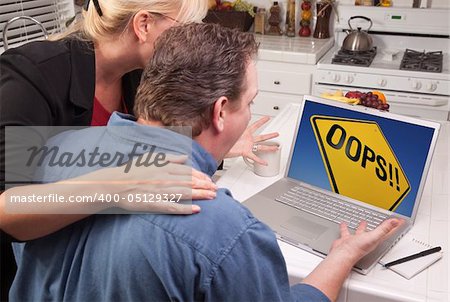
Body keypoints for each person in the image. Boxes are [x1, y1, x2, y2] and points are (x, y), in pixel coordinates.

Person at [10, 23, 404, 302]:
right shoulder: (225, 230)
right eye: (249, 103)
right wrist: (342, 256)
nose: (250, 112)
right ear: (219, 112)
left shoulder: (51, 150)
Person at [0, 0, 277, 299]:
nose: (191, 38)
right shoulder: (32, 77)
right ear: (143, 24)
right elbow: (8, 208)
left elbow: (149, 139)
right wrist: (127, 183)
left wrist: (220, 143)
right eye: (184, 27)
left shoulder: (140, 74)